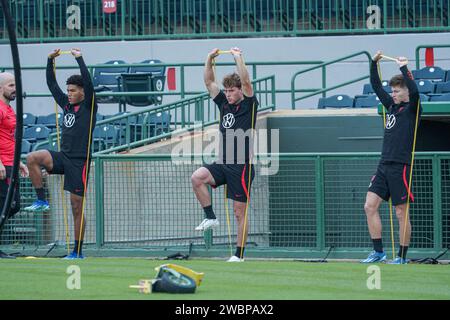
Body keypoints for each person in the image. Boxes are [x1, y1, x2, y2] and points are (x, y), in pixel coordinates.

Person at [25, 49, 98, 259]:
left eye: (73, 90)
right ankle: (42, 200)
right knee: (32, 158)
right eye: (68, 90)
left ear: (83, 92)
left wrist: (79, 58)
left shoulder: (89, 105)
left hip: (79, 162)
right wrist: (49, 60)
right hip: (62, 156)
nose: (69, 93)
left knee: (76, 207)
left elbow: (89, 82)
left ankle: (77, 251)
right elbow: (51, 84)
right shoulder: (66, 105)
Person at [191, 47, 258, 262]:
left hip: (242, 167)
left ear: (240, 91)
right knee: (197, 177)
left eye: (232, 91)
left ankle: (238, 255)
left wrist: (238, 57)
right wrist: (208, 59)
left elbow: (247, 82)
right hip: (223, 163)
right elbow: (209, 83)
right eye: (226, 91)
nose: (228, 94)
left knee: (240, 213)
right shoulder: (223, 104)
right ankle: (210, 217)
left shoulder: (249, 104)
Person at [361, 51, 422, 264]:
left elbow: (415, 92)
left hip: (400, 166)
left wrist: (404, 68)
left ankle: (402, 257)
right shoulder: (391, 107)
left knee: (400, 212)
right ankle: (378, 252)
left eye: (397, 91)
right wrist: (374, 62)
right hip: (384, 165)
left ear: (405, 92)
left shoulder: (412, 108)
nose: (393, 94)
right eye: (393, 91)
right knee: (369, 206)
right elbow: (377, 86)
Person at [0, 72, 28, 222]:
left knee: (12, 206)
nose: (15, 88)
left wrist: (19, 162)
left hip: (11, 163)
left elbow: (8, 137)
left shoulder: (9, 108)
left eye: (16, 85)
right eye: (11, 85)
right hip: (3, 165)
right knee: (7, 206)